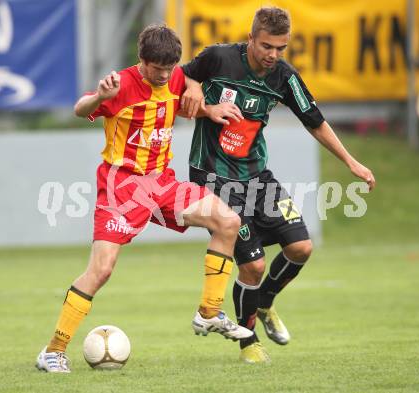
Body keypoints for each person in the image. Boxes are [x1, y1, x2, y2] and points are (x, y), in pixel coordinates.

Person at [36, 24, 252, 373]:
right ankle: (53, 350)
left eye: (170, 69)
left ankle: (209, 312)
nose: (165, 75)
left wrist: (208, 110)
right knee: (101, 270)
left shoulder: (174, 79)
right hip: (122, 187)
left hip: (162, 184)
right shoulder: (120, 85)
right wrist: (99, 98)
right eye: (157, 69)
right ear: (142, 61)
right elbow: (80, 108)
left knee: (227, 221)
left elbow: (182, 101)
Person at [181, 7, 376, 363]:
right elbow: (180, 81)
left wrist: (351, 162)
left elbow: (315, 121)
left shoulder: (284, 77)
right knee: (252, 266)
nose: (273, 54)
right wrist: (199, 95)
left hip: (257, 176)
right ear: (251, 38)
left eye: (280, 48)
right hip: (213, 177)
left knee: (301, 247)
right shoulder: (217, 58)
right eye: (267, 46)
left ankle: (266, 302)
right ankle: (248, 343)